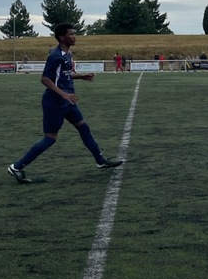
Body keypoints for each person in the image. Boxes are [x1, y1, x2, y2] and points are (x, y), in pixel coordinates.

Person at [7, 23, 123, 184]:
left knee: (83, 127)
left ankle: (100, 161)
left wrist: (81, 76)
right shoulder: (55, 56)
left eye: (75, 34)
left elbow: (63, 75)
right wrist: (63, 94)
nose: (75, 36)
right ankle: (16, 167)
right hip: (55, 102)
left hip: (67, 101)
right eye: (71, 34)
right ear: (62, 37)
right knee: (50, 138)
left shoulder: (68, 54)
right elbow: (45, 79)